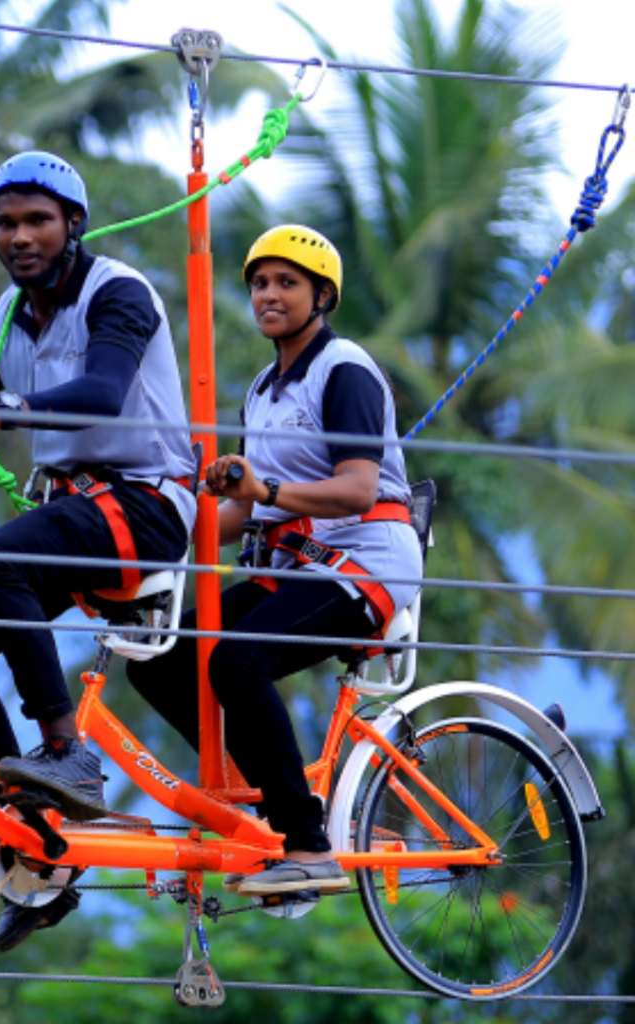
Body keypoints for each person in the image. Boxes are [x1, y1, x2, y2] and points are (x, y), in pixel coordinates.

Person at [0, 151, 196, 950]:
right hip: (75, 513)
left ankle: (68, 753)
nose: (19, 237)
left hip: (146, 505)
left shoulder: (117, 293)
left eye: (37, 221)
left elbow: (100, 391)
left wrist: (7, 408)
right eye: (5, 223)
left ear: (74, 227)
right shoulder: (4, 319)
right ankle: (38, 835)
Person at [127, 225, 422, 896]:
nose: (269, 294)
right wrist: (155, 528)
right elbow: (243, 513)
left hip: (366, 557)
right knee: (163, 659)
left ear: (323, 295)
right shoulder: (263, 387)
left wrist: (263, 490)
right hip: (296, 561)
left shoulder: (342, 368)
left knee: (238, 658)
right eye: (260, 283)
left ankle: (307, 843)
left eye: (287, 283)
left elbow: (356, 488)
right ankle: (260, 799)